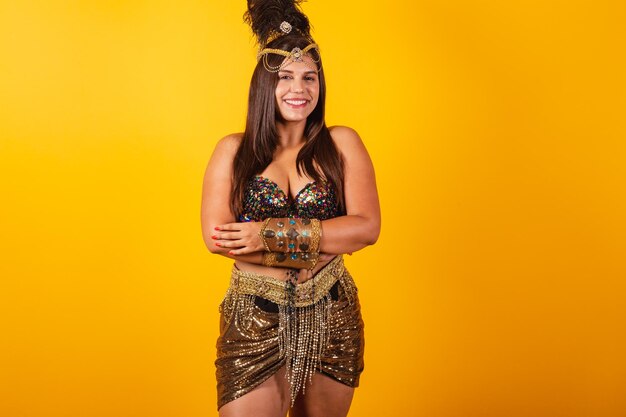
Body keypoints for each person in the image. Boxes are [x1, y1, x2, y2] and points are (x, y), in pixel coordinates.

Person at [200, 1, 380, 416]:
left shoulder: (342, 144)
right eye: (285, 77)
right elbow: (220, 239)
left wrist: (263, 234)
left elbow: (367, 228)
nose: (299, 89)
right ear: (265, 85)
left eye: (309, 78)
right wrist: (327, 241)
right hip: (254, 315)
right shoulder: (233, 151)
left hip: (332, 310)